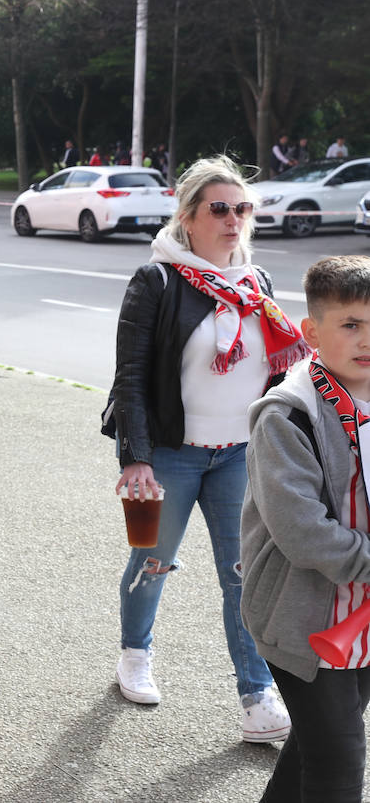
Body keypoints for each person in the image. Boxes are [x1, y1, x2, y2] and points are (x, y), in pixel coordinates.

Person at [105, 155, 304, 742]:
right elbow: (132, 377)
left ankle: (256, 695)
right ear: (188, 216)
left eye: (242, 208)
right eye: (219, 208)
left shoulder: (255, 283)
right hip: (169, 453)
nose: (233, 219)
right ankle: (134, 654)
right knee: (151, 559)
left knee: (245, 573)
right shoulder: (158, 280)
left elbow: (276, 373)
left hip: (239, 455)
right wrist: (135, 456)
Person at [243, 255, 370, 798]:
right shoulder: (288, 415)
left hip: (361, 616)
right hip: (304, 617)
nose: (367, 339)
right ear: (311, 332)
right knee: (339, 762)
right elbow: (301, 531)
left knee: (313, 749)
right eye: (351, 325)